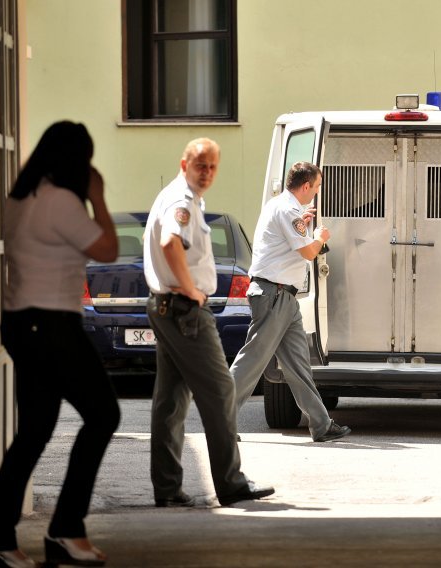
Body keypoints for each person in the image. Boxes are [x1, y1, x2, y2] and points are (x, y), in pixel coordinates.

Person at [0, 121, 120, 568]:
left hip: (23, 324)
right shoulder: (59, 201)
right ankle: (65, 529)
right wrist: (97, 196)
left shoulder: (20, 198)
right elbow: (109, 250)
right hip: (51, 325)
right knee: (103, 414)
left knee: (35, 431)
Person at [144, 137, 274, 509]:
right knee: (220, 392)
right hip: (184, 310)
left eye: (214, 166)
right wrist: (191, 291)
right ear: (184, 164)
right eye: (201, 165)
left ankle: (167, 488)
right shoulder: (182, 201)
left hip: (167, 307)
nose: (208, 173)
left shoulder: (179, 196)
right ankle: (230, 484)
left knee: (169, 401)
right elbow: (171, 243)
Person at [230, 161, 350, 442]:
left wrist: (304, 227)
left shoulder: (283, 207)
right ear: (306, 186)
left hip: (284, 297)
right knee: (252, 361)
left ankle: (321, 425)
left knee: (298, 365)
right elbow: (309, 253)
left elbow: (289, 242)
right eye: (317, 186)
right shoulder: (288, 210)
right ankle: (219, 420)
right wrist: (319, 237)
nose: (317, 191)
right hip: (275, 295)